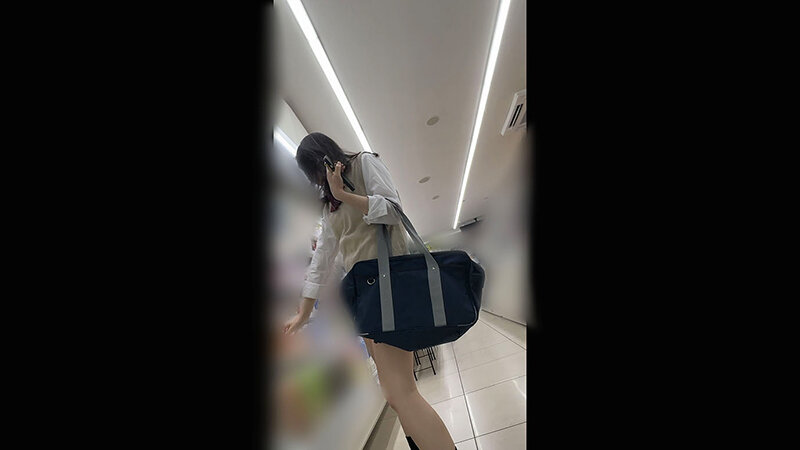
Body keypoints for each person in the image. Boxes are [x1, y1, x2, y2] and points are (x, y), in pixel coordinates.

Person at [283, 132, 457, 450]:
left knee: (400, 392)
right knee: (396, 394)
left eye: (315, 170)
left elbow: (393, 211)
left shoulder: (364, 163)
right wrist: (304, 312)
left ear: (325, 157)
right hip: (366, 297)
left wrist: (344, 193)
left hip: (391, 288)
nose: (317, 180)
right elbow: (323, 257)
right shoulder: (330, 206)